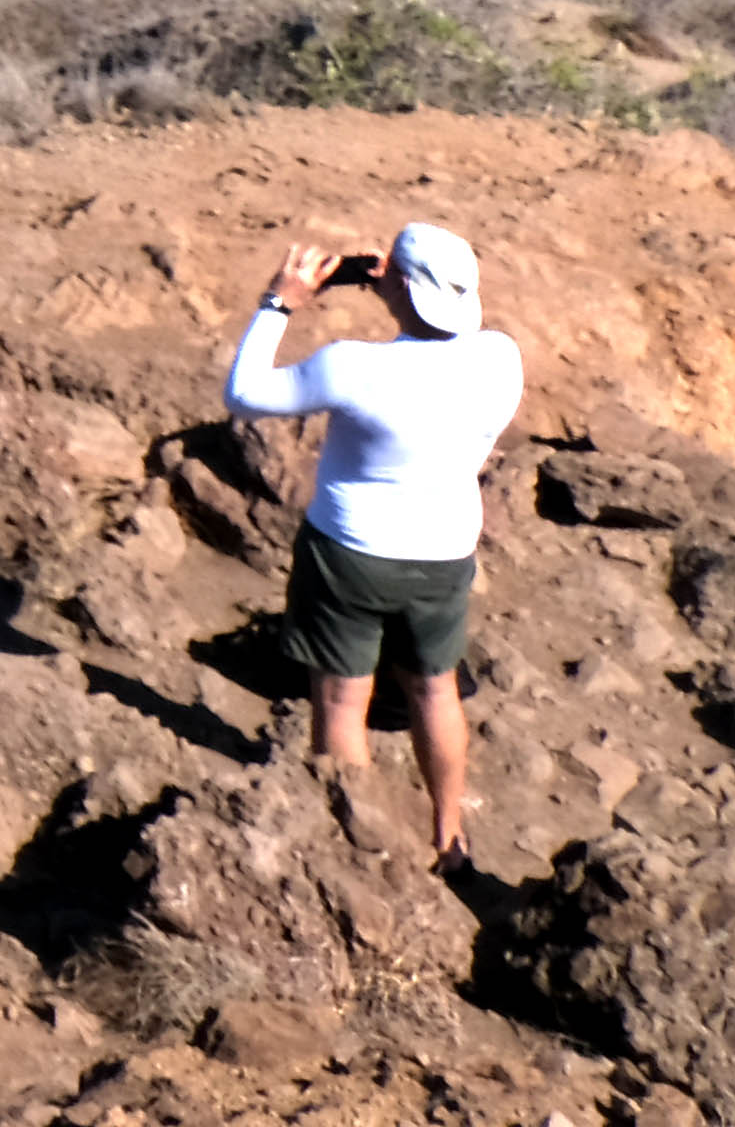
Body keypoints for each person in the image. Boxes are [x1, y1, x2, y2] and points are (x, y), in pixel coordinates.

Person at [224, 222, 527, 860]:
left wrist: (282, 301)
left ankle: (355, 850)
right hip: (443, 554)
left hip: (349, 556)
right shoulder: (501, 358)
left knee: (340, 697)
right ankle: (450, 833)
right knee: (435, 689)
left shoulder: (351, 366)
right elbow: (451, 330)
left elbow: (244, 393)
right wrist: (401, 285)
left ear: (402, 286)